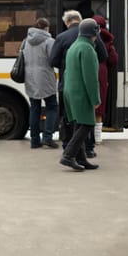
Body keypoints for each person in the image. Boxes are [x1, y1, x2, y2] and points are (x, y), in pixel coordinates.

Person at [49, 10, 107, 150]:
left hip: (67, 84)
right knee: (87, 118)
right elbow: (103, 55)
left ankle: (68, 146)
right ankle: (88, 148)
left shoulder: (62, 37)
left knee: (69, 119)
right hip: (85, 84)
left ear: (66, 22)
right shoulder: (91, 38)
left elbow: (53, 61)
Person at [60, 18, 101, 171]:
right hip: (81, 92)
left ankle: (81, 158)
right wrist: (95, 99)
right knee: (88, 124)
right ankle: (68, 155)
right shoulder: (87, 49)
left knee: (79, 124)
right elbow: (90, 78)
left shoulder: (74, 47)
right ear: (93, 33)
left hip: (70, 91)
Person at [84, 15, 118, 155]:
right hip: (102, 73)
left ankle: (88, 136)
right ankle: (97, 137)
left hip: (88, 71)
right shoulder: (108, 40)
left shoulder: (87, 38)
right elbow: (114, 60)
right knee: (99, 103)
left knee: (87, 104)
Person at [22, 18, 58, 149]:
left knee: (34, 108)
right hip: (45, 77)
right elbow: (53, 60)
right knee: (52, 106)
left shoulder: (26, 41)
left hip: (30, 78)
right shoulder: (49, 41)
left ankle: (34, 140)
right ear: (46, 28)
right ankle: (47, 137)